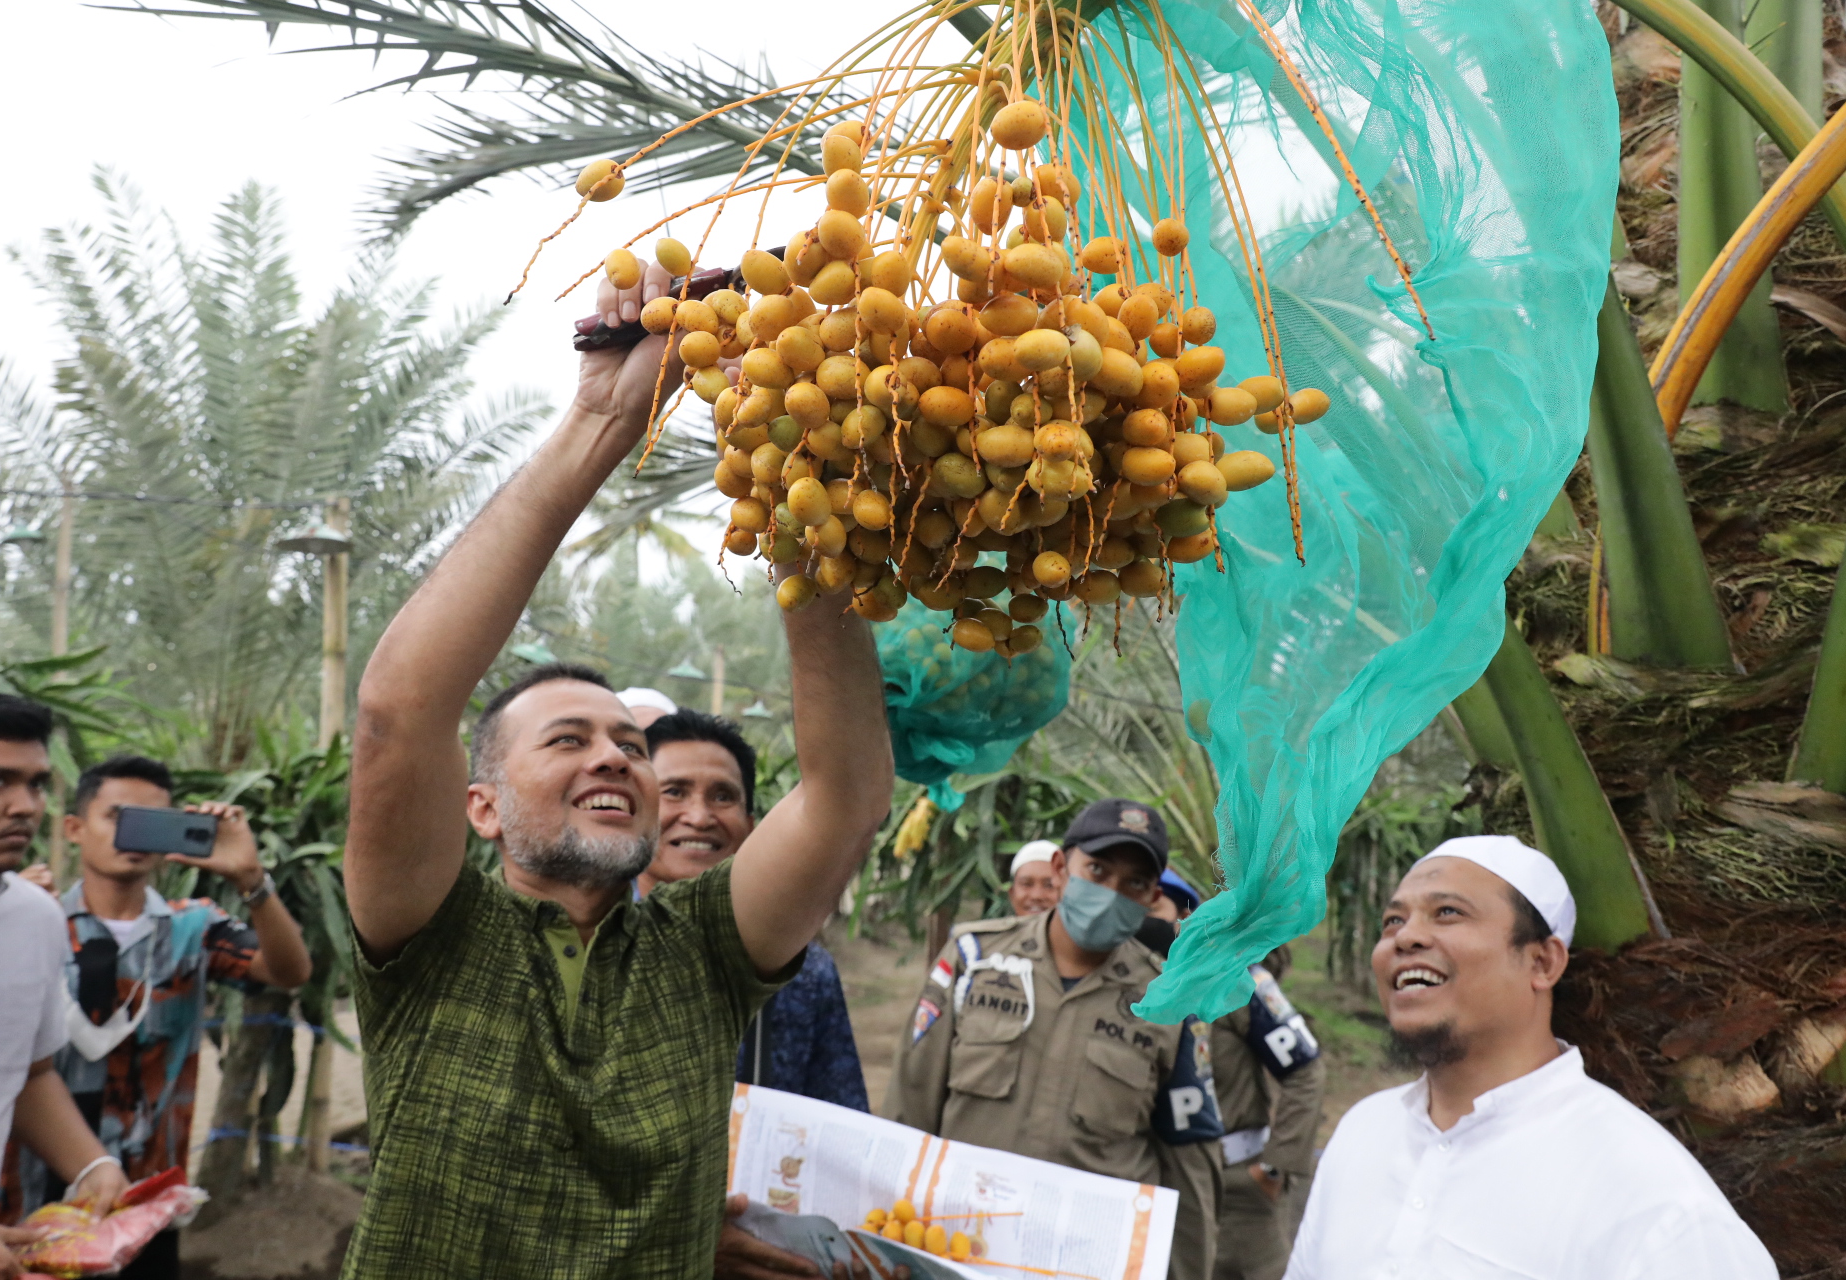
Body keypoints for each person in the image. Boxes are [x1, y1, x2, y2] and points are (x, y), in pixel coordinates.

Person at [336, 257, 893, 1280]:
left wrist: (790, 473)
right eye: (566, 739)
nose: (614, 756)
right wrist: (601, 417)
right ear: (482, 808)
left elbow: (846, 797)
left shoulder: (704, 951)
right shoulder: (429, 933)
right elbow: (395, 714)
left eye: (630, 746)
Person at [1286, 835, 1778, 1279]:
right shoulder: (1363, 1132)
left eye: (1448, 913)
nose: (1405, 937)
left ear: (1542, 962)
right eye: (1393, 920)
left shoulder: (1651, 1196)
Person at [3, 755, 313, 1277]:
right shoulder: (35, 917)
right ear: (75, 829)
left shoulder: (193, 926)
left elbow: (290, 970)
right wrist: (3, 914)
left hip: (147, 1195)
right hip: (30, 1191)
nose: (133, 837)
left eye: (151, 823)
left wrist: (251, 878)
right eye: (117, 818)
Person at [892, 798, 1225, 1280]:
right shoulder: (975, 958)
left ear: (1153, 894)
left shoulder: (1169, 1003)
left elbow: (1189, 1173)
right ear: (1060, 868)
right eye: (1097, 870)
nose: (1111, 892)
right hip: (955, 1253)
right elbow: (910, 1106)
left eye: (1133, 883)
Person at [637, 709, 873, 1280]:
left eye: (723, 796)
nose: (699, 815)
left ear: (750, 822)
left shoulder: (807, 971)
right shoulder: (580, 949)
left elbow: (842, 1129)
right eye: (674, 791)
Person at [0, 685, 125, 1280]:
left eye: (36, 784)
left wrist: (91, 1166)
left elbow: (28, 1072)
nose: (25, 805)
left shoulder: (37, 919)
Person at [1131, 881, 1327, 1280]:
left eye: (1157, 905)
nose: (1143, 918)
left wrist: (1273, 1168)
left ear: (1187, 917)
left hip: (1237, 1188)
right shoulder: (1123, 982)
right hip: (1153, 1185)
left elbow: (1305, 1071)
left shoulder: (1233, 979)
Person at [1006, 839, 1060, 916]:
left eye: (1049, 885)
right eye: (1026, 884)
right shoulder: (986, 928)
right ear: (1012, 894)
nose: (1036, 895)